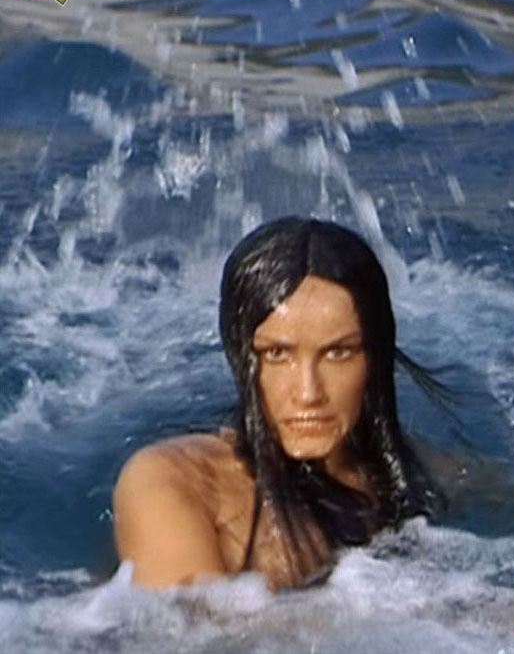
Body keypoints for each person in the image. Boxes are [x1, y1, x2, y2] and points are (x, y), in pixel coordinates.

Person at [113, 217, 438, 590]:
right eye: (277, 354)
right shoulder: (170, 480)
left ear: (373, 360)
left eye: (338, 352)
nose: (308, 392)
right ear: (240, 355)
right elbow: (186, 622)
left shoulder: (405, 473)